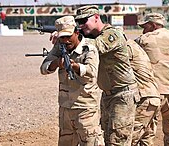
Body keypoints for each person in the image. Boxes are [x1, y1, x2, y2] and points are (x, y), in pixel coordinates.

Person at [75, 5, 140, 146]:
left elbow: (95, 47)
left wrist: (72, 37)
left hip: (123, 95)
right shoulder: (90, 36)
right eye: (78, 22)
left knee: (118, 141)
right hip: (107, 95)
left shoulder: (112, 34)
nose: (81, 25)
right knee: (106, 137)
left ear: (96, 17)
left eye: (84, 20)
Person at [40, 15, 104, 146]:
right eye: (61, 37)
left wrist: (74, 66)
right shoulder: (60, 47)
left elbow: (91, 73)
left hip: (86, 109)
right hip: (65, 109)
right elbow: (43, 68)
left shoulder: (89, 49)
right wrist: (56, 63)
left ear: (76, 32)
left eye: (68, 36)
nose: (65, 41)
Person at [136, 13, 169, 146]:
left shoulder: (143, 39)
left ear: (154, 25)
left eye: (145, 26)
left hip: (151, 93)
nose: (143, 30)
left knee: (148, 131)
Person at [116, 26, 161, 146]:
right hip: (152, 97)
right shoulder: (134, 46)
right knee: (146, 140)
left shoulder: (126, 49)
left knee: (128, 140)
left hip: (144, 99)